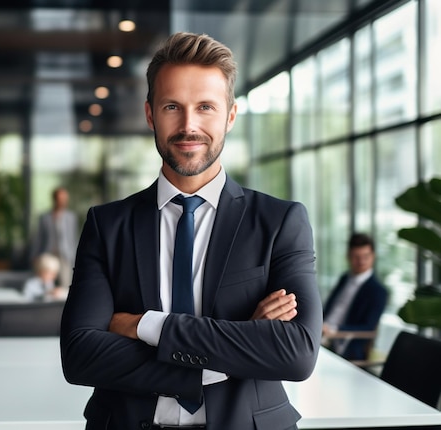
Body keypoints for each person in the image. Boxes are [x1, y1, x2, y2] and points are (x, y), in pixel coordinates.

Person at [60, 32, 323, 430]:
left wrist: (145, 325)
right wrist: (234, 349)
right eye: (172, 107)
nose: (188, 125)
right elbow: (80, 355)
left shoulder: (279, 222)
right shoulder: (107, 224)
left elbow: (298, 354)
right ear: (150, 114)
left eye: (205, 107)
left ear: (230, 115)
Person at [322, 232, 388, 361]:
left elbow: (368, 327)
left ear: (373, 256)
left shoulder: (378, 291)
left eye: (366, 256)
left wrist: (334, 330)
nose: (361, 261)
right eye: (356, 257)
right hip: (322, 334)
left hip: (345, 344)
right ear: (348, 256)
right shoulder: (344, 278)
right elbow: (329, 309)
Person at [31, 187, 79, 288]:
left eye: (64, 199)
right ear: (54, 199)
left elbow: (73, 238)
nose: (62, 201)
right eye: (60, 199)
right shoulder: (45, 217)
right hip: (49, 254)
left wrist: (76, 257)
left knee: (66, 283)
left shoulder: (71, 217)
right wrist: (35, 255)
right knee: (46, 282)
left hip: (65, 255)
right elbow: (39, 238)